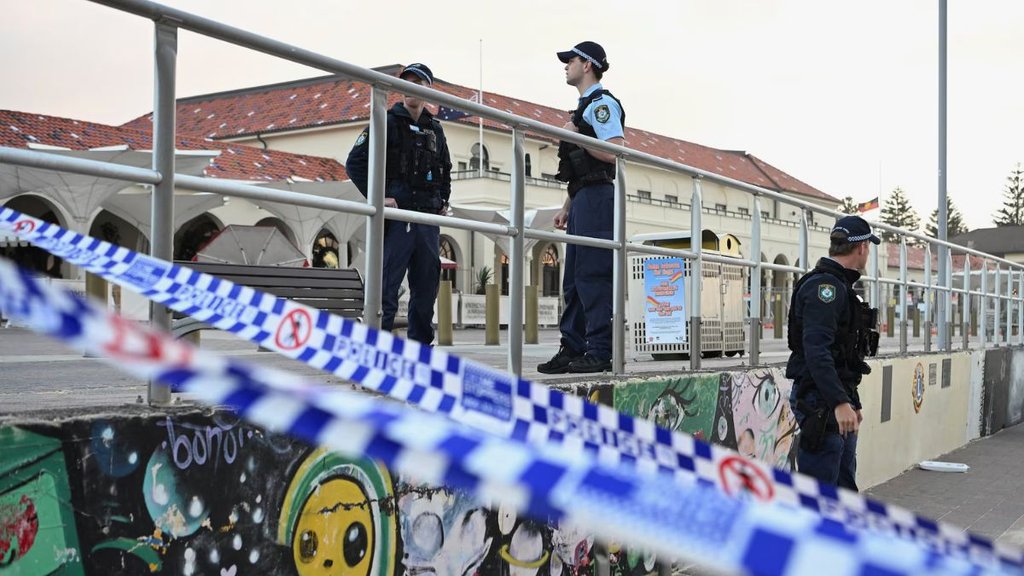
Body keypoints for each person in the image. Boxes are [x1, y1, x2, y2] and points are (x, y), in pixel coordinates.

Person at [345, 63, 452, 345]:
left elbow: (445, 167)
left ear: (428, 89)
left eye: (417, 82)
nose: (410, 87)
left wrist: (443, 200)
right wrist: (378, 196)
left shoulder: (435, 130)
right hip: (397, 218)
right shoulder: (385, 120)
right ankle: (376, 350)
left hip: (427, 220)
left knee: (426, 289)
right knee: (386, 289)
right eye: (406, 82)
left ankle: (421, 350)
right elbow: (355, 163)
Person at [537, 41, 625, 374]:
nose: (566, 65)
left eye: (570, 60)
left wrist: (576, 134)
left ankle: (600, 350)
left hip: (599, 198)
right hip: (584, 198)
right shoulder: (583, 107)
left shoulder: (601, 104)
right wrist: (567, 206)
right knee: (573, 279)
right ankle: (572, 347)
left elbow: (613, 151)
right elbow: (581, 168)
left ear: (587, 65)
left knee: (593, 275)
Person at [786, 215, 881, 491]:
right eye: (868, 248)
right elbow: (817, 352)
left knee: (843, 487)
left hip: (834, 399)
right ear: (861, 247)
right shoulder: (824, 288)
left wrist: (851, 400)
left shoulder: (840, 286)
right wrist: (840, 402)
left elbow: (843, 355)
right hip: (821, 402)